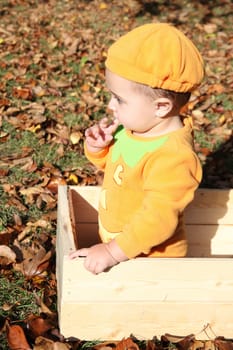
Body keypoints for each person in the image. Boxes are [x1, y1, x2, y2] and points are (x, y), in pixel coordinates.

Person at [69, 22, 204, 274]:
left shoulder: (173, 157)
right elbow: (120, 170)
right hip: (122, 248)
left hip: (151, 262)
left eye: (119, 98)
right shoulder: (138, 128)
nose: (110, 105)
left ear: (161, 107)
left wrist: (112, 252)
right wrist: (99, 148)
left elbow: (158, 220)